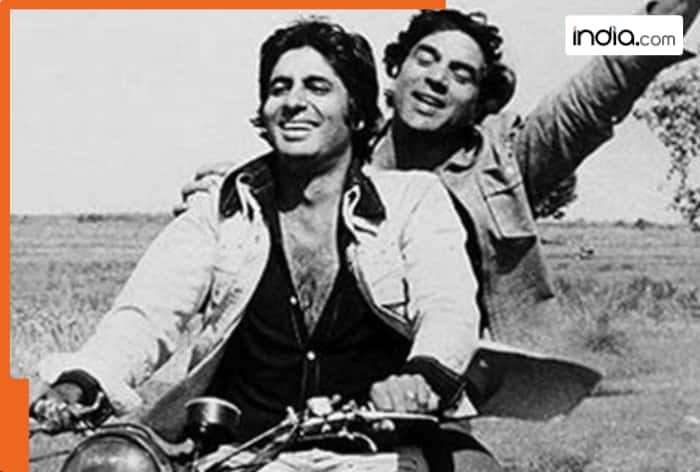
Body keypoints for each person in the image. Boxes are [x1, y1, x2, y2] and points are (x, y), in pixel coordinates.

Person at [30, 19, 499, 472]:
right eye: (279, 88)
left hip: (378, 456)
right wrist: (81, 383)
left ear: (356, 110)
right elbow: (145, 314)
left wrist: (421, 376)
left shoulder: (413, 200)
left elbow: (448, 306)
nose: (293, 102)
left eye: (317, 87)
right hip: (242, 456)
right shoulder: (222, 208)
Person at [181, 0, 700, 351]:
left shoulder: (507, 163)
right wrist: (222, 195)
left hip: (447, 385)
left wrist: (669, 16)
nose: (436, 79)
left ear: (480, 101)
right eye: (425, 59)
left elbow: (612, 76)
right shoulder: (335, 156)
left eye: (461, 74)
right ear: (395, 70)